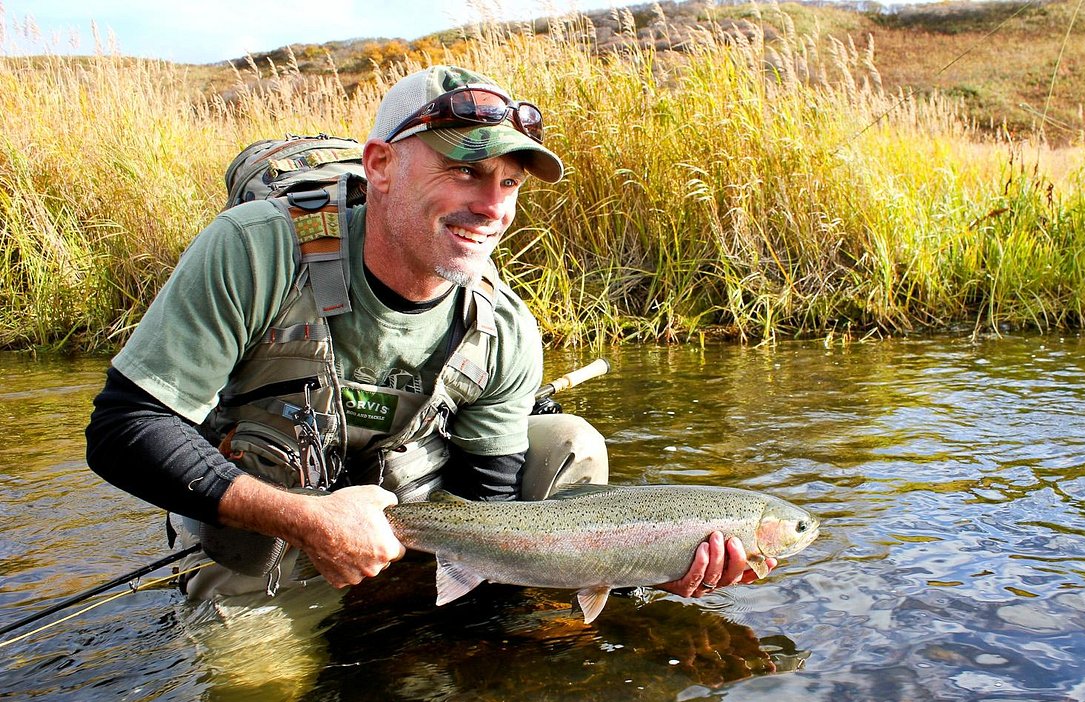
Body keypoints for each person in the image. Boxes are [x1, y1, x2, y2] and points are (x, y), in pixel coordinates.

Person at [85, 64, 768, 607]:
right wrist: (306, 522)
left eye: (508, 182)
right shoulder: (256, 250)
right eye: (465, 170)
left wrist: (639, 564)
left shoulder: (502, 326)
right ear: (380, 166)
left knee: (569, 442)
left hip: (415, 519)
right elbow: (124, 429)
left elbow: (489, 506)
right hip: (262, 528)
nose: (494, 206)